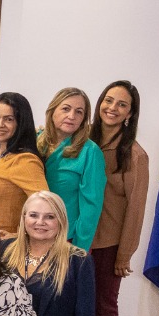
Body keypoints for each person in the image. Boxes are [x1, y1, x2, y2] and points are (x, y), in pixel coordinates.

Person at [87, 81, 148, 316]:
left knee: (102, 312)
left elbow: (136, 211)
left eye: (121, 104)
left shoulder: (136, 156)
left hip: (107, 246)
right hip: (74, 241)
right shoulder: (82, 141)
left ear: (130, 113)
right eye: (108, 100)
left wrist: (124, 255)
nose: (112, 107)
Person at [0, 93, 48, 239]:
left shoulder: (26, 161)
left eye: (9, 119)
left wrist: (19, 235)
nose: (0, 125)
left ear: (21, 123)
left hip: (3, 245)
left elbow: (46, 206)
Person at [37, 88, 106, 250]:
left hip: (64, 240)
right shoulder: (35, 140)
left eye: (79, 112)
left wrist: (78, 250)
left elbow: (91, 209)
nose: (71, 116)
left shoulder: (90, 151)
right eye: (66, 109)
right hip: (31, 234)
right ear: (52, 110)